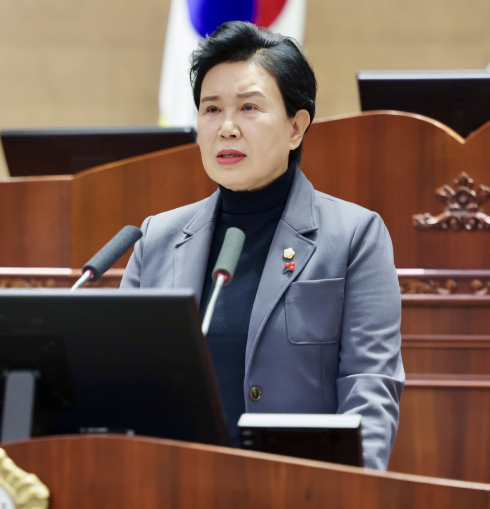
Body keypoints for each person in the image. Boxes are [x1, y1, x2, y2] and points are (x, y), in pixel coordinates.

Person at [120, 21, 404, 470]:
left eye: (249, 107)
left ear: (296, 127)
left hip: (300, 489)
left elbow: (369, 387)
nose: (227, 128)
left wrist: (352, 490)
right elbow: (123, 387)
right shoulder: (156, 239)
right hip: (178, 487)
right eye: (211, 110)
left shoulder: (353, 236)